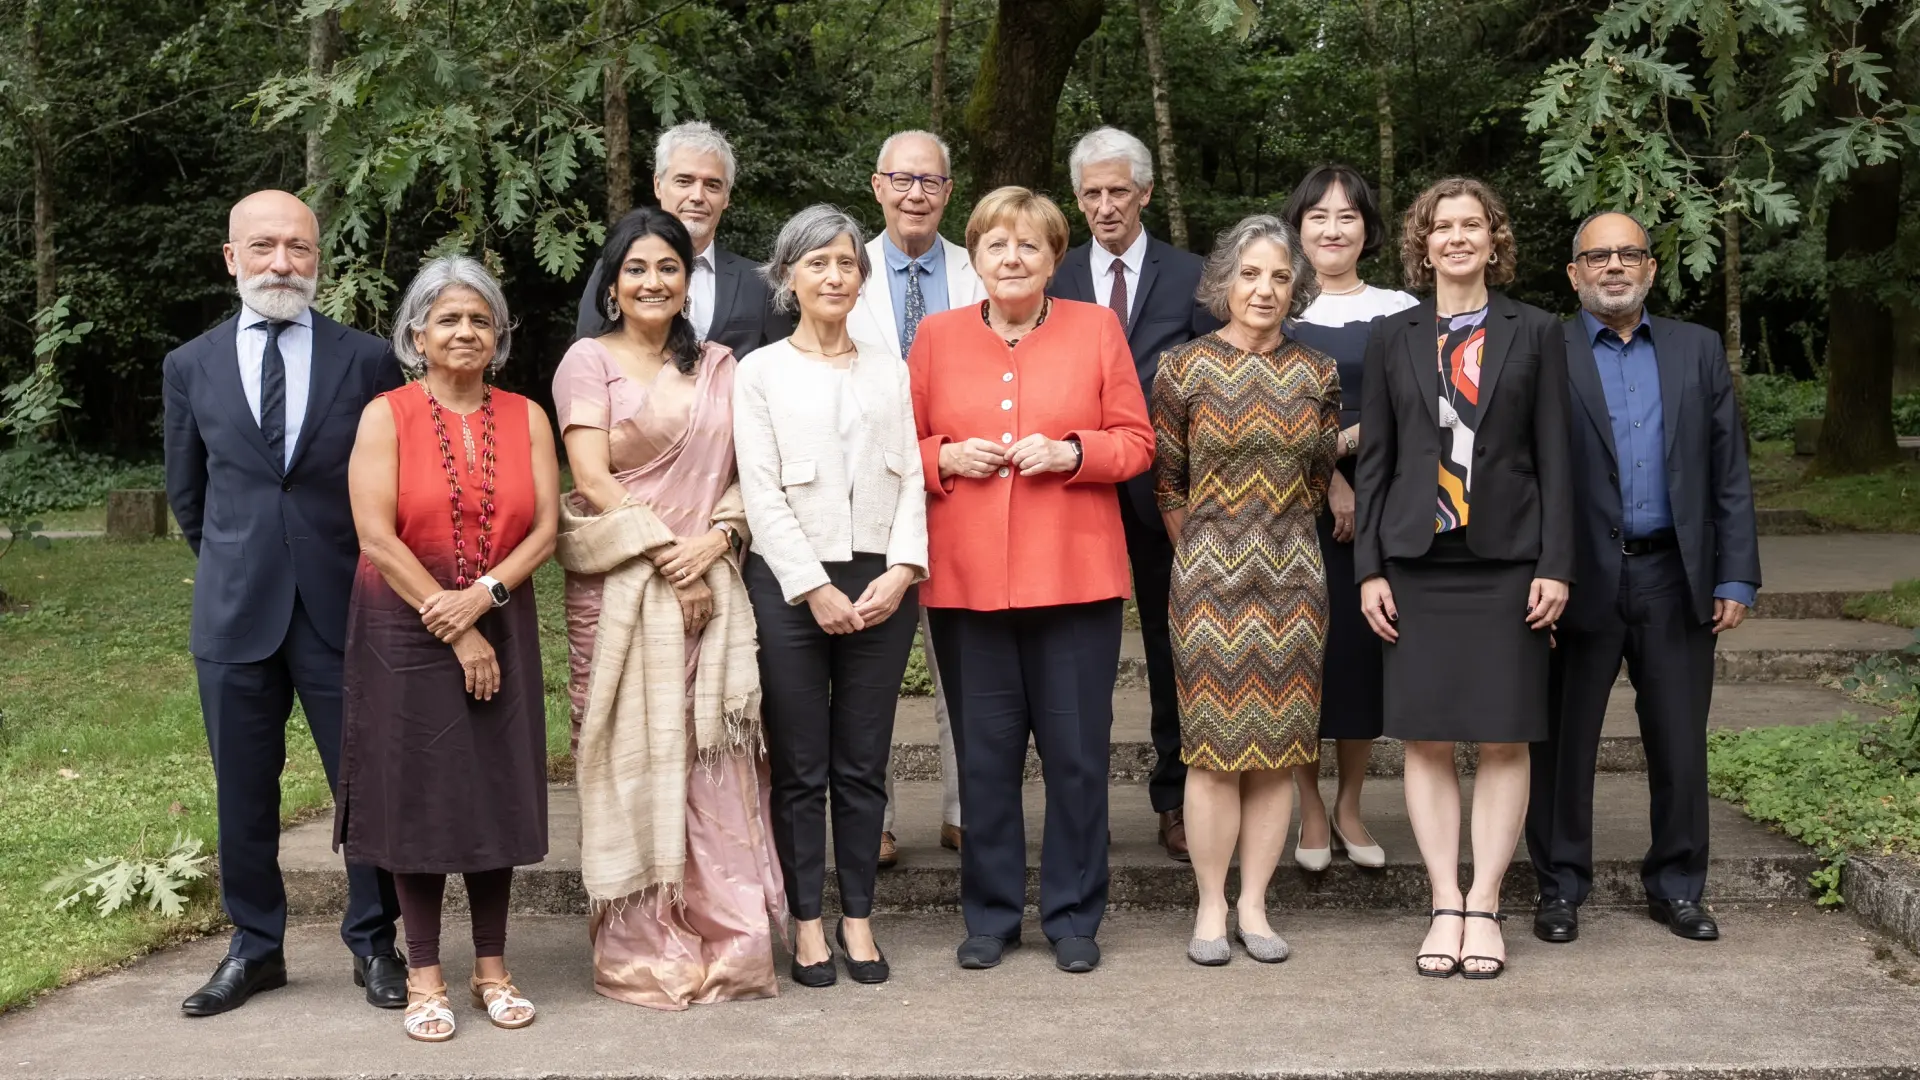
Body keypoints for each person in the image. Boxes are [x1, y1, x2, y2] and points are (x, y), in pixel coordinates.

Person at [162, 189, 404, 1017]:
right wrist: (243, 562)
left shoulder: (368, 359)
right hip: (235, 614)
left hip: (346, 609)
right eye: (263, 246)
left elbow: (390, 490)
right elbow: (188, 497)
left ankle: (376, 943)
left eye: (298, 248)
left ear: (317, 258)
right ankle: (254, 948)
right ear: (231, 258)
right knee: (243, 793)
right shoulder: (189, 365)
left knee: (365, 785)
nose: (281, 263)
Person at [909, 186, 1155, 974]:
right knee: (985, 758)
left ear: (1055, 258)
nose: (1011, 259)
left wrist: (1075, 452)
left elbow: (1137, 442)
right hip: (966, 582)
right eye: (995, 246)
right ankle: (989, 914)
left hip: (1075, 578)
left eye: (1029, 247)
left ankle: (1075, 916)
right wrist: (941, 457)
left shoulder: (1096, 328)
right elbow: (899, 448)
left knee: (1078, 755)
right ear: (973, 257)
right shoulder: (937, 337)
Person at [552, 206, 785, 1011]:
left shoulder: (722, 362)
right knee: (634, 757)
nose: (654, 282)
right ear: (612, 285)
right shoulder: (587, 361)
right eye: (637, 270)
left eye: (669, 269)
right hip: (621, 586)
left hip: (711, 579)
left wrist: (714, 546)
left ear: (690, 282)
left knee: (713, 757)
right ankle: (643, 944)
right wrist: (668, 560)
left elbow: (749, 470)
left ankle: (728, 933)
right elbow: (591, 478)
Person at [1353, 177, 1573, 980]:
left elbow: (1558, 457)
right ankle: (1444, 902)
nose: (1455, 238)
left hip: (1510, 561)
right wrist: (1368, 567)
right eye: (1440, 226)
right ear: (1422, 242)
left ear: (1494, 237)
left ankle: (1486, 905)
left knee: (1506, 736)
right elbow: (1374, 463)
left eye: (1471, 225)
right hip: (1416, 561)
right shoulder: (1392, 336)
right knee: (1428, 737)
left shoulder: (1539, 332)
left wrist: (1557, 564)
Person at [336, 257, 558, 1042]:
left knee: (493, 787)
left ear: (498, 336)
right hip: (404, 624)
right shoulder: (385, 414)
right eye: (449, 319)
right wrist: (457, 625)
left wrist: (486, 599)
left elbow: (545, 530)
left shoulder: (527, 414)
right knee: (418, 793)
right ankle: (424, 971)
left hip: (502, 614)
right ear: (417, 333)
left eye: (481, 320)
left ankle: (493, 966)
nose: (465, 331)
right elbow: (374, 535)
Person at [1525, 211, 1761, 946]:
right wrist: (1539, 574)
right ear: (1575, 274)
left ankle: (1680, 888)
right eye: (1599, 256)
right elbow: (1524, 471)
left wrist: (1737, 577)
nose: (1615, 266)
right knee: (1562, 744)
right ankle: (1560, 888)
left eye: (1629, 254)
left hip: (1677, 576)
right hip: (1577, 579)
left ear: (1652, 268)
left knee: (1679, 741)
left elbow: (1729, 472)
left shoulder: (1695, 350)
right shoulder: (1544, 349)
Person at [735, 205, 929, 987]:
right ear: (789, 277)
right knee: (802, 766)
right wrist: (812, 587)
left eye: (847, 263)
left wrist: (905, 569)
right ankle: (805, 925)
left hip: (881, 580)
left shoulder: (892, 368)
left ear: (861, 276)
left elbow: (912, 475)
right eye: (817, 263)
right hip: (792, 586)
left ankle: (858, 918)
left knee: (862, 763)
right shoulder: (761, 372)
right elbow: (760, 490)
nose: (834, 275)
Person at [1153, 215, 1340, 966]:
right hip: (1206, 587)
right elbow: (1169, 482)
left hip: (1295, 583)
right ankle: (1209, 908)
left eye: (1278, 276)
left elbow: (1320, 478)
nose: (1263, 289)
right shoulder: (1182, 369)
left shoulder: (1319, 373)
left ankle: (1256, 906)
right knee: (1210, 752)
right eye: (1249, 274)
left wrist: (1271, 547)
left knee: (1277, 752)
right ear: (1225, 282)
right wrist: (1205, 558)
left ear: (1296, 287)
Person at [1048, 126, 1219, 861]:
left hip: (1166, 492)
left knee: (1169, 643)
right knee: (1071, 652)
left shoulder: (1194, 276)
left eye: (1119, 191)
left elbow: (1217, 378)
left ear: (1145, 193)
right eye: (1092, 193)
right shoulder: (1052, 276)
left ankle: (1176, 796)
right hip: (1072, 489)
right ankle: (1077, 806)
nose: (1106, 205)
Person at [847, 129, 985, 864]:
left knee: (961, 659)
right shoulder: (844, 265)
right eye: (901, 179)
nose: (915, 194)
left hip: (960, 484)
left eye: (930, 181)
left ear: (948, 193)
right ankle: (875, 818)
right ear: (877, 187)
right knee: (869, 663)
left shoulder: (979, 269)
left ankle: (967, 808)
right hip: (865, 490)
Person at [1278, 165, 1419, 871]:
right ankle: (1308, 808)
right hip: (1290, 510)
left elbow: (1417, 408)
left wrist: (1356, 451)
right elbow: (1266, 411)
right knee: (1306, 659)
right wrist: (1329, 473)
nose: (1332, 229)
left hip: (1384, 507)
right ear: (1297, 227)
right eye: (1318, 217)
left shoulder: (1400, 308)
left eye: (1348, 217)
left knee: (1363, 659)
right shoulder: (1274, 303)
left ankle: (1352, 802)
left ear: (1368, 229)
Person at [573, 121, 790, 353]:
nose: (697, 196)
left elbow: (782, 370)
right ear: (658, 185)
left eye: (712, 185)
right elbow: (589, 356)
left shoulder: (761, 283)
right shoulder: (617, 270)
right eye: (684, 181)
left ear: (726, 197)